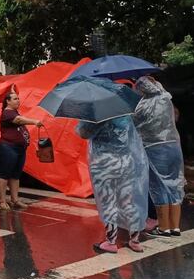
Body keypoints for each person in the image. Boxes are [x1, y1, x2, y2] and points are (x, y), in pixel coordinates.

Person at [77, 116, 148, 254]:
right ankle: (135, 240)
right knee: (128, 201)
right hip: (125, 162)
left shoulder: (94, 114)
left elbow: (83, 133)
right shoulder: (124, 114)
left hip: (104, 163)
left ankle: (110, 242)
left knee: (108, 202)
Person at [133, 76, 185, 237]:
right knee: (175, 186)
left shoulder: (144, 105)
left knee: (158, 186)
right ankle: (175, 227)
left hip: (155, 149)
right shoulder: (166, 99)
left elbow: (135, 124)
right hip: (174, 147)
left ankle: (163, 227)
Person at [0, 89, 43, 211]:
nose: (18, 100)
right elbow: (19, 120)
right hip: (8, 147)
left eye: (18, 98)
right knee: (4, 174)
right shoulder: (7, 113)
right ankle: (2, 201)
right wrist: (34, 121)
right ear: (8, 101)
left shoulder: (14, 111)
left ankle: (15, 199)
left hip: (19, 148)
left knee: (15, 175)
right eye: (15, 99)